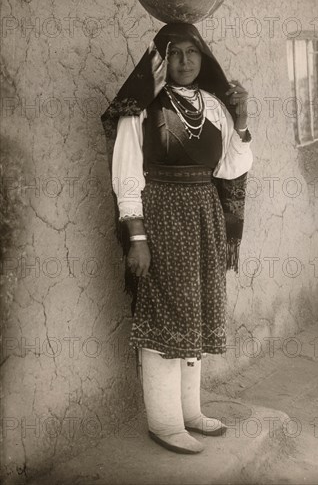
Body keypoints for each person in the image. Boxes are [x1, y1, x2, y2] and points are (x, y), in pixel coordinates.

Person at [101, 23, 253, 454]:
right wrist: (138, 238)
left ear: (204, 58)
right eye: (175, 54)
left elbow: (229, 168)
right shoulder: (143, 109)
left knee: (196, 309)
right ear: (160, 59)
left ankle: (190, 411)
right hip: (162, 214)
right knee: (167, 313)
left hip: (204, 212)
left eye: (193, 53)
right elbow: (126, 177)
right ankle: (164, 422)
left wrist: (240, 122)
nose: (185, 62)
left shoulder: (215, 107)